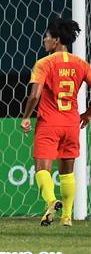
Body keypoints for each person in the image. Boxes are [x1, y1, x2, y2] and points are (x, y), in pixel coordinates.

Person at [20, 18, 91, 227]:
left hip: (49, 123)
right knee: (68, 171)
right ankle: (67, 217)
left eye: (47, 37)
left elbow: (34, 95)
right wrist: (87, 114)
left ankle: (51, 201)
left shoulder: (44, 63)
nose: (44, 40)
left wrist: (26, 117)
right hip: (71, 124)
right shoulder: (82, 64)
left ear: (57, 40)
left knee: (42, 168)